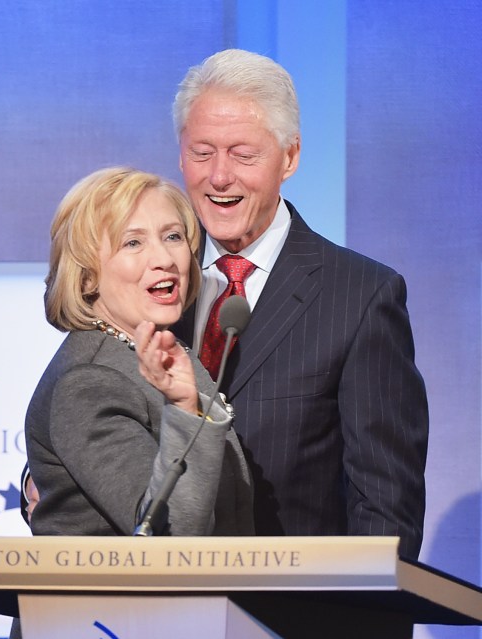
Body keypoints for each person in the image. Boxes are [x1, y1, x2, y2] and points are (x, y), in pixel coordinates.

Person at [171, 49, 428, 559]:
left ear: (289, 157)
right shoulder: (150, 277)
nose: (219, 178)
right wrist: (41, 488)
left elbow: (383, 509)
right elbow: (94, 413)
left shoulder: (360, 297)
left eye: (243, 155)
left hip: (288, 615)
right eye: (202, 153)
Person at [23, 166, 254, 539]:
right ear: (87, 276)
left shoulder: (153, 349)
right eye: (133, 243)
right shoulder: (89, 382)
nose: (165, 258)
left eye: (173, 236)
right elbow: (169, 537)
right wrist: (183, 408)